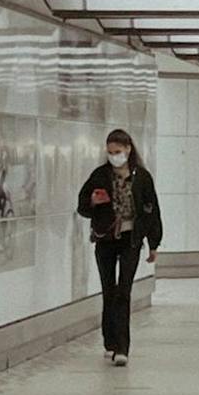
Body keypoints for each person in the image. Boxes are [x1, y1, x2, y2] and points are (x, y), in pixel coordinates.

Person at [77, 129, 162, 367]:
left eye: (118, 151)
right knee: (109, 290)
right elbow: (82, 206)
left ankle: (122, 347)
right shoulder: (100, 176)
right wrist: (93, 202)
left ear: (128, 149)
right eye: (110, 152)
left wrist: (153, 244)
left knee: (124, 291)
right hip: (105, 240)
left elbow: (152, 210)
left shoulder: (142, 178)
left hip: (130, 240)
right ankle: (110, 342)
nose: (114, 156)